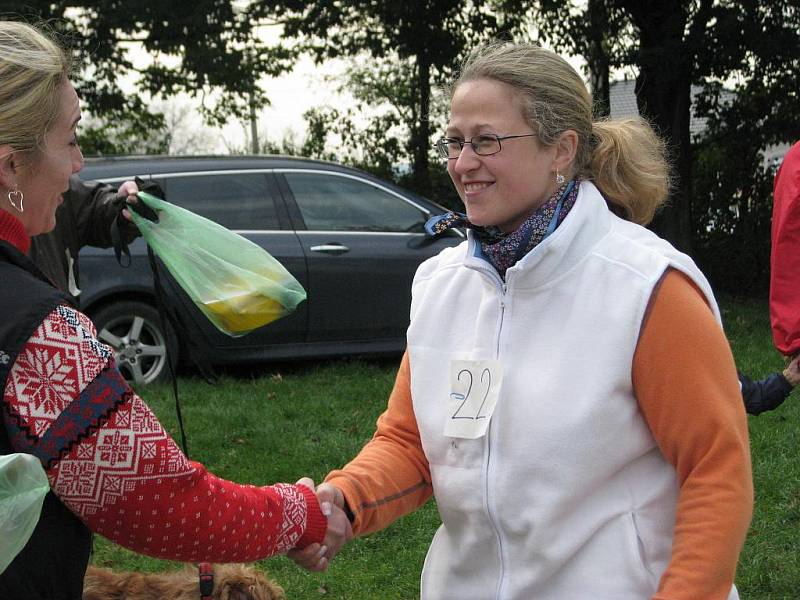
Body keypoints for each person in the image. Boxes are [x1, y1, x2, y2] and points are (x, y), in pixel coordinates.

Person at [290, 42, 753, 599]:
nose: (463, 164)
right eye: (456, 142)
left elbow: (715, 473)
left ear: (561, 150)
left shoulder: (649, 287)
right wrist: (345, 500)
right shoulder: (442, 285)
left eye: (487, 141)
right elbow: (413, 443)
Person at [0, 20, 349, 600]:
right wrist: (300, 514)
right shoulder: (33, 328)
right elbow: (153, 499)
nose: (80, 164)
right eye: (70, 139)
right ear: (11, 165)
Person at [31, 175, 140, 304]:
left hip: (57, 312)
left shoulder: (59, 186)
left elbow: (90, 208)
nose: (78, 164)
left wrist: (120, 205)